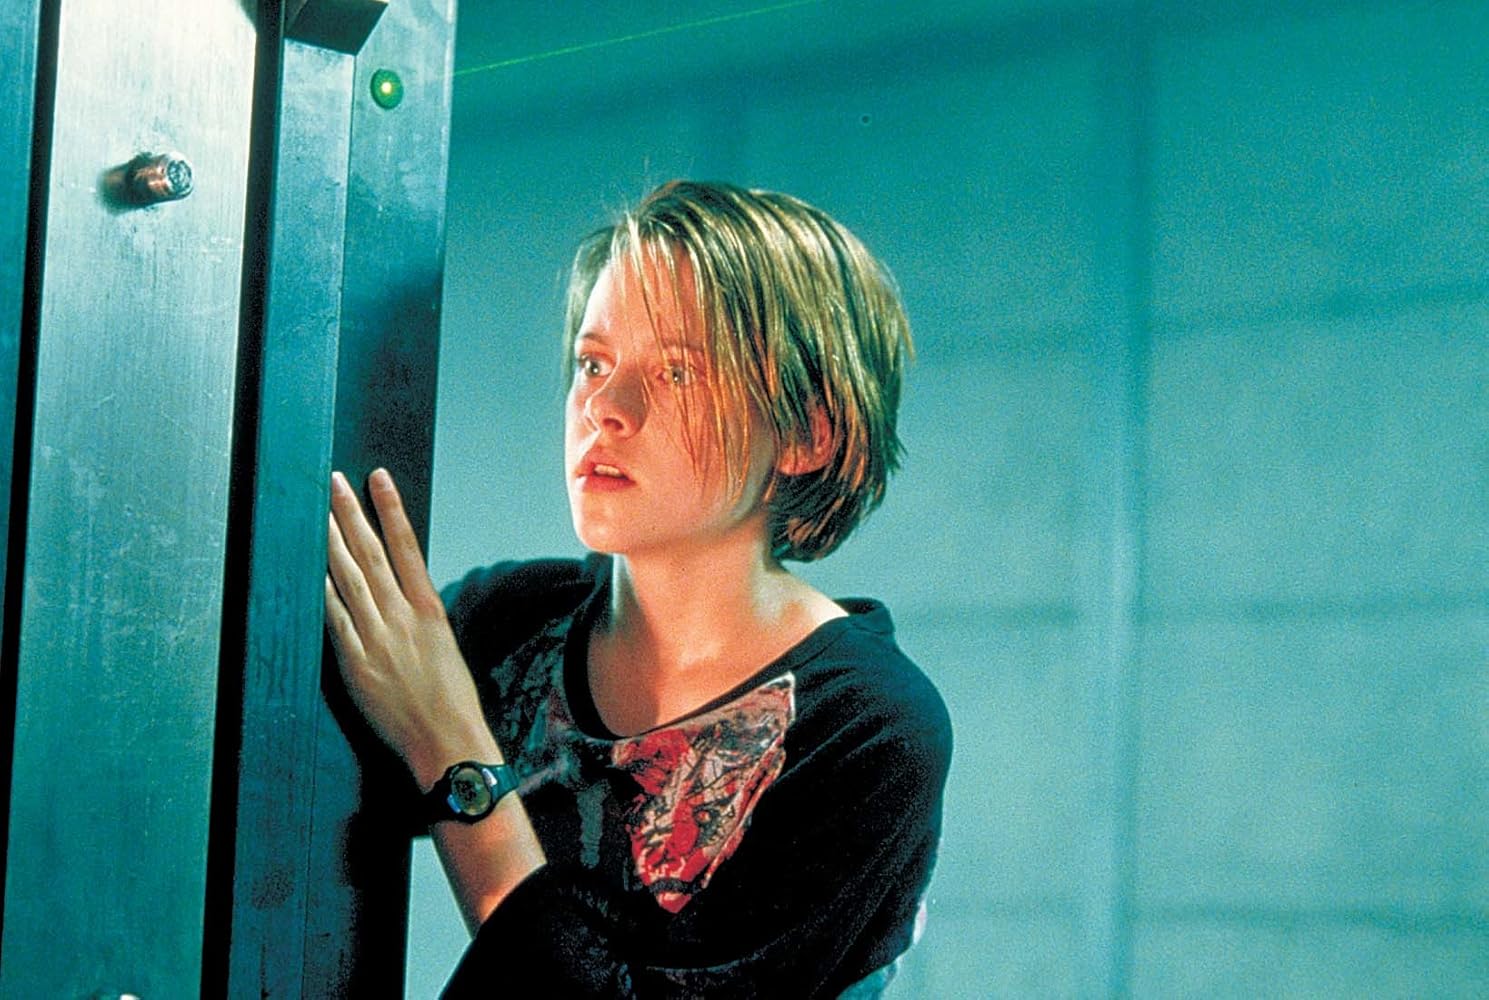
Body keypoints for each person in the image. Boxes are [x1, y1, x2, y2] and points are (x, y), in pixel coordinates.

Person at [324, 180, 952, 997]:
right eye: (593, 363)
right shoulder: (507, 623)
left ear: (805, 434)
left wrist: (451, 749)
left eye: (678, 372)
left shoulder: (869, 727)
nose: (605, 409)